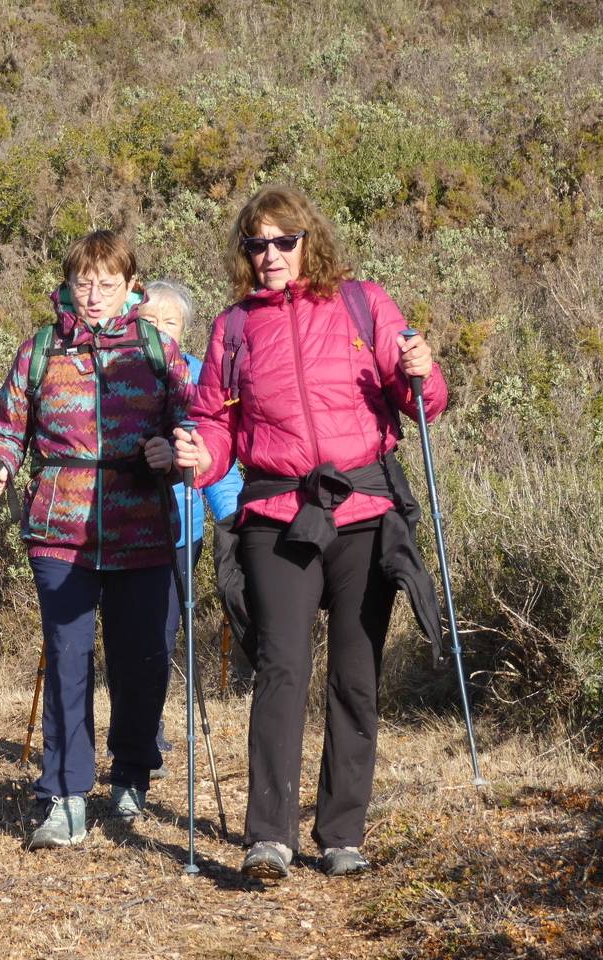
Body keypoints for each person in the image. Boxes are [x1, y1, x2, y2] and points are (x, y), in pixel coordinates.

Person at [174, 184, 447, 879]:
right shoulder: (235, 328)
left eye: (282, 241)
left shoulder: (364, 303)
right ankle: (269, 836)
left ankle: (341, 833)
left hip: (362, 510)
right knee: (282, 666)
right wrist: (204, 457)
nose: (270, 255)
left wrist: (425, 372)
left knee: (357, 673)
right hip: (276, 513)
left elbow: (420, 400)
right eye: (256, 244)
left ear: (308, 241)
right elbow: (216, 421)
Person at [0, 230, 192, 850]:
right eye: (83, 282)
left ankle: (130, 773)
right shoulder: (41, 348)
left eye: (107, 283)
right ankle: (63, 798)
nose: (93, 295)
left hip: (143, 529)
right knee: (69, 662)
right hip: (59, 531)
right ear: (69, 285)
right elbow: (6, 429)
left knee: (142, 662)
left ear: (131, 287)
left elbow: (193, 420)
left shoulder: (155, 347)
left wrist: (169, 451)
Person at [137, 280, 244, 773]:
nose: (161, 330)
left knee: (164, 628)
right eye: (151, 321)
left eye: (170, 323)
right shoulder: (117, 375)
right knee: (131, 632)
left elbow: (215, 457)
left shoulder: (201, 377)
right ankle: (134, 733)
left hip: (183, 528)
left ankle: (149, 729)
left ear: (185, 330)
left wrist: (235, 516)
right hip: (122, 525)